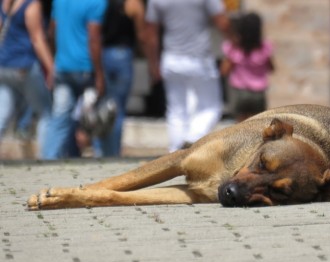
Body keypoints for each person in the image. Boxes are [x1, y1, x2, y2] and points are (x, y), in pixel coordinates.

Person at [145, 0, 229, 152]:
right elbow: (222, 23)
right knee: (211, 107)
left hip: (171, 58)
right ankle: (193, 138)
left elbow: (151, 34)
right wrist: (234, 45)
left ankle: (175, 152)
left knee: (176, 111)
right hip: (199, 58)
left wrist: (152, 64)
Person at [43, 0, 107, 159]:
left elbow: (51, 32)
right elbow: (94, 37)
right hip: (86, 69)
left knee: (60, 118)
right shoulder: (97, 3)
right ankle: (100, 159)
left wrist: (54, 61)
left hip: (63, 68)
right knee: (94, 119)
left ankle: (48, 159)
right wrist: (99, 73)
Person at [92, 0, 147, 157]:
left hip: (103, 54)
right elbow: (142, 33)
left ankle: (99, 150)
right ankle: (112, 153)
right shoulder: (133, 3)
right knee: (117, 109)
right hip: (122, 55)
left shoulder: (101, 3)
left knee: (102, 105)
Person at [0, 0, 54, 157]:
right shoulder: (32, 5)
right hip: (24, 67)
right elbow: (37, 40)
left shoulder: (5, 3)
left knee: (2, 114)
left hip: (4, 66)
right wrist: (51, 68)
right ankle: (47, 159)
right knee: (46, 114)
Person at [220, 12, 274, 122]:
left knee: (241, 127)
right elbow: (272, 68)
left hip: (240, 93)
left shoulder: (235, 49)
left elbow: (224, 71)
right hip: (258, 94)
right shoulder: (263, 48)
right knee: (258, 125)